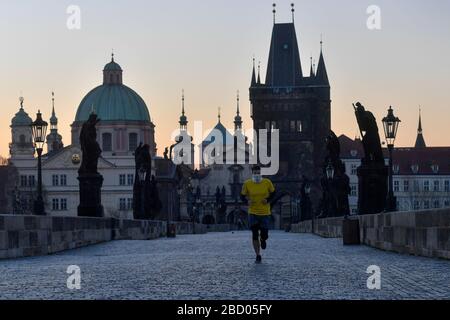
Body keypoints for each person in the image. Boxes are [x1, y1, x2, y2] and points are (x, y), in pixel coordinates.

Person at [241, 165, 276, 263]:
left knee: (264, 233)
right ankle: (258, 255)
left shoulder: (267, 182)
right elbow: (242, 196)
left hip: (265, 212)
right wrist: (246, 202)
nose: (257, 174)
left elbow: (274, 193)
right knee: (254, 234)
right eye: (255, 173)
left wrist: (268, 200)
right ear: (252, 173)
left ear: (261, 173)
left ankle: (263, 239)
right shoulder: (247, 183)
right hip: (252, 212)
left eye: (258, 173)